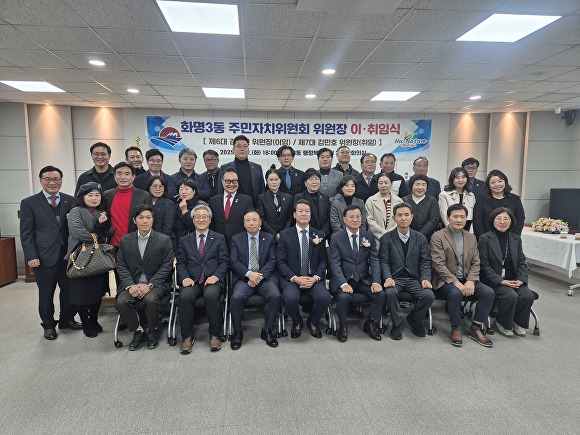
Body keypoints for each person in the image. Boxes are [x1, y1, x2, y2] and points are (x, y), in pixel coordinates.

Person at [20, 166, 81, 340]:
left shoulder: (70, 200)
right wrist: (31, 256)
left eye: (56, 179)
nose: (52, 183)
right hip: (44, 257)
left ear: (61, 181)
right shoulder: (29, 203)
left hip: (68, 256)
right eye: (48, 179)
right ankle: (48, 325)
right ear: (41, 180)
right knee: (46, 293)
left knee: (69, 291)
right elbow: (26, 233)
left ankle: (66, 319)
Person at [430, 204, 494, 347]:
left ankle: (475, 328)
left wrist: (471, 280)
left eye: (462, 217)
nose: (459, 220)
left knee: (488, 293)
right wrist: (455, 282)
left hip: (467, 279)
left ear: (466, 219)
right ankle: (456, 328)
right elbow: (438, 264)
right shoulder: (438, 236)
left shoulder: (471, 237)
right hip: (445, 281)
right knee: (455, 292)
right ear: (448, 218)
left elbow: (476, 262)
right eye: (455, 216)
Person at [115, 205, 175, 351]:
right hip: (132, 284)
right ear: (134, 220)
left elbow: (167, 265)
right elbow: (121, 265)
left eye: (148, 217)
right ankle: (138, 331)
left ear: (153, 220)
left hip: (156, 284)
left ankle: (153, 330)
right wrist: (130, 285)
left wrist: (150, 285)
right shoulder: (125, 240)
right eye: (141, 218)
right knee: (121, 301)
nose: (145, 221)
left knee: (151, 299)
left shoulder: (164, 239)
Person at [177, 204, 229, 353]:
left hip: (212, 279)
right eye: (197, 217)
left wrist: (216, 276)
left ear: (210, 219)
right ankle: (187, 337)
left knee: (211, 295)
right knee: (185, 296)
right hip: (191, 280)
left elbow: (224, 261)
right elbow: (181, 262)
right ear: (193, 220)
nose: (201, 219)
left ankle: (215, 335)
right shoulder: (184, 240)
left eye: (204, 216)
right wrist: (184, 277)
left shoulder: (219, 238)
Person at [378, 202, 434, 340]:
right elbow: (383, 261)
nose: (403, 218)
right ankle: (397, 324)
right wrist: (387, 277)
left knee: (429, 295)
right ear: (394, 218)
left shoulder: (420, 238)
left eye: (406, 215)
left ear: (412, 217)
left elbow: (425, 261)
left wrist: (425, 278)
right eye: (400, 215)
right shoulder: (386, 238)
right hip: (395, 279)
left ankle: (414, 319)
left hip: (414, 279)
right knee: (389, 293)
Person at [329, 205, 385, 342]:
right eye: (351, 217)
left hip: (363, 279)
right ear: (344, 219)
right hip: (344, 280)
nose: (355, 220)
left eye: (358, 217)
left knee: (380, 294)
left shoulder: (368, 236)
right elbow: (335, 263)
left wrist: (376, 281)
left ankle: (370, 323)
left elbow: (374, 260)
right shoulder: (336, 237)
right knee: (344, 297)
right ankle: (343, 326)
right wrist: (343, 284)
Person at [277, 200, 331, 339]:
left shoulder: (319, 235)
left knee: (325, 297)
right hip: (292, 278)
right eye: (300, 211)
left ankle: (313, 322)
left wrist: (315, 278)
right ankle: (297, 321)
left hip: (313, 277)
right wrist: (295, 278)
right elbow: (281, 262)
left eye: (307, 211)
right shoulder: (285, 235)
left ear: (310, 215)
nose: (304, 214)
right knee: (290, 298)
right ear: (294, 215)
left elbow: (323, 261)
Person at [478, 207, 535, 337]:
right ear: (493, 220)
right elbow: (484, 265)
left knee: (527, 296)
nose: (502, 222)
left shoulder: (516, 239)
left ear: (511, 221)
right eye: (499, 218)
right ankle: (502, 322)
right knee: (510, 295)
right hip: (493, 279)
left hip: (513, 278)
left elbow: (521, 261)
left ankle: (518, 322)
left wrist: (521, 279)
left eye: (506, 219)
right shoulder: (485, 238)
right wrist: (501, 281)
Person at [66, 182, 113, 338]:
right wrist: (100, 237)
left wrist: (104, 224)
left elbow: (110, 232)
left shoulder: (101, 212)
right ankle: (86, 323)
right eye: (90, 195)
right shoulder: (76, 211)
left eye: (97, 195)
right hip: (80, 256)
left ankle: (93, 319)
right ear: (82, 197)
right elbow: (78, 233)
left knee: (97, 292)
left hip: (98, 258)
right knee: (82, 294)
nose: (94, 198)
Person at [229, 210, 281, 349]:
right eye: (248, 220)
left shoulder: (269, 238)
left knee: (275, 295)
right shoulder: (236, 239)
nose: (251, 223)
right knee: (236, 297)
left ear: (260, 223)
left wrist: (258, 276)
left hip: (264, 277)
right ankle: (237, 332)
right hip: (244, 278)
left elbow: (273, 261)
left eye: (254, 220)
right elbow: (234, 261)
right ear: (244, 223)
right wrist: (249, 274)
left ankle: (268, 330)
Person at [103, 162, 152, 250]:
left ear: (133, 177)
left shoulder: (144, 196)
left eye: (127, 174)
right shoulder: (107, 195)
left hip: (136, 245)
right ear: (114, 176)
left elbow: (149, 221)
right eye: (119, 174)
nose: (123, 177)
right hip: (112, 245)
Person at [473, 169, 525, 238]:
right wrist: (482, 238)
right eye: (493, 182)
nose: (497, 184)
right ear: (488, 185)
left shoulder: (515, 199)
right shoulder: (481, 199)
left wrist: (514, 238)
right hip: (487, 238)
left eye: (500, 181)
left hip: (509, 238)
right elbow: (477, 220)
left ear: (505, 182)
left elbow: (520, 220)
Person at [209, 168, 254, 246]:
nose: (231, 184)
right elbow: (211, 223)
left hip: (239, 243)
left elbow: (249, 222)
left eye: (234, 181)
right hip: (218, 243)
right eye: (228, 181)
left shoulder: (246, 200)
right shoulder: (213, 200)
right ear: (222, 182)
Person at [218, 135, 265, 205]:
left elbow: (262, 192)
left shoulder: (257, 168)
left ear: (248, 150)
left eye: (245, 146)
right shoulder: (224, 168)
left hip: (253, 207)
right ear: (233, 150)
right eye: (239, 146)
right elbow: (220, 191)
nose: (242, 149)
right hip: (232, 207)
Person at [365, 173, 403, 245]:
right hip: (376, 239)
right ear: (377, 184)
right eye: (380, 183)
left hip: (394, 238)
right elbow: (370, 220)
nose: (383, 185)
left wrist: (390, 233)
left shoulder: (399, 201)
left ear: (391, 184)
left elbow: (400, 220)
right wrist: (384, 234)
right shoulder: (370, 201)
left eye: (386, 182)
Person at [256, 167, 292, 240]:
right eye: (271, 180)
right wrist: (275, 234)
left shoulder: (288, 197)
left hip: (286, 235)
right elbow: (262, 219)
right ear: (267, 181)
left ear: (280, 180)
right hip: (268, 236)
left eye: (276, 179)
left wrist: (283, 233)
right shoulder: (261, 198)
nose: (274, 182)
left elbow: (291, 218)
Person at [293, 168, 331, 237]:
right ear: (305, 183)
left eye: (317, 179)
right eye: (311, 179)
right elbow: (298, 218)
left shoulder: (325, 197)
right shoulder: (299, 197)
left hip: (323, 235)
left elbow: (328, 219)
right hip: (306, 235)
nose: (314, 182)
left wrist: (323, 233)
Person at [403, 174, 440, 242]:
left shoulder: (432, 201)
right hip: (407, 238)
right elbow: (403, 219)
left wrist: (419, 235)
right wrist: (410, 235)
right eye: (417, 184)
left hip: (427, 238)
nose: (420, 187)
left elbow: (434, 220)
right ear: (411, 186)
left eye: (423, 185)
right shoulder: (404, 200)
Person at [438, 167, 476, 232]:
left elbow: (473, 217)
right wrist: (453, 232)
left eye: (463, 177)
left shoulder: (471, 195)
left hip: (468, 231)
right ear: (452, 179)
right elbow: (444, 216)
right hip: (450, 231)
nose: (460, 180)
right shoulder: (444, 195)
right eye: (457, 178)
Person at [173, 178, 202, 248]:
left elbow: (194, 227)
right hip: (177, 242)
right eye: (181, 189)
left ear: (194, 191)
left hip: (194, 243)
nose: (183, 192)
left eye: (186, 189)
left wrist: (184, 211)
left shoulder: (200, 206)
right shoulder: (176, 205)